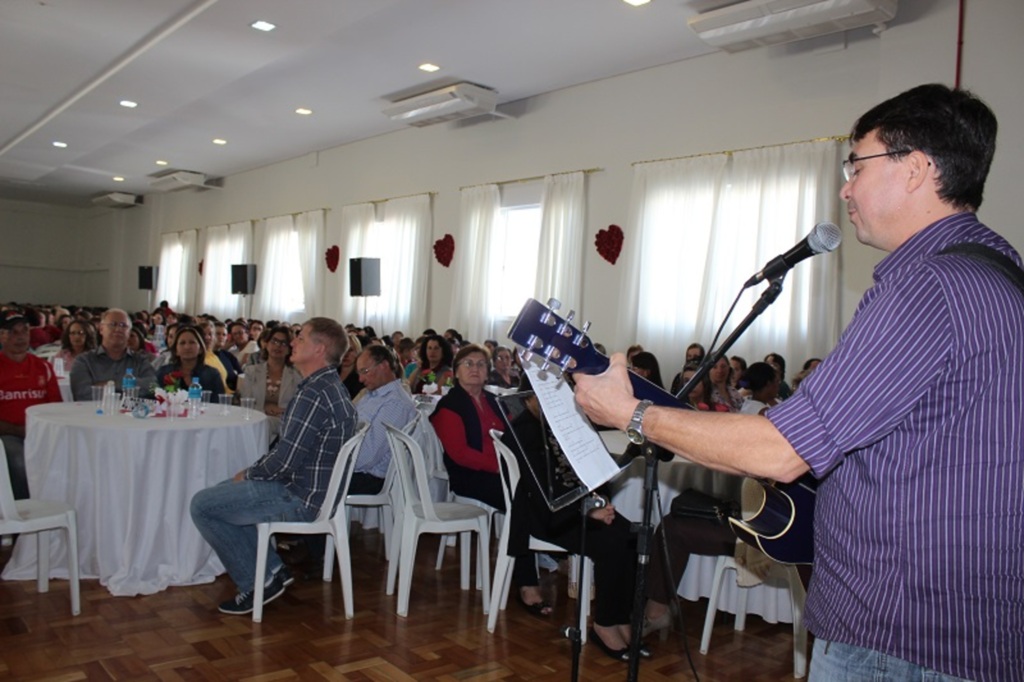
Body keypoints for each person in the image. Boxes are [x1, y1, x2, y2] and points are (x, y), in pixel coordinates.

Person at [573, 84, 1024, 681]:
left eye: (856, 164)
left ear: (915, 169)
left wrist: (632, 414)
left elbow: (782, 451)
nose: (845, 187)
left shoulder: (926, 286)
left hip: (901, 636)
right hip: (967, 624)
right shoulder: (999, 273)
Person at [190, 317, 358, 615]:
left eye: (301, 338)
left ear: (319, 349)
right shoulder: (327, 386)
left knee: (202, 505)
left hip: (300, 497)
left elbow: (285, 461)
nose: (293, 342)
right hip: (307, 489)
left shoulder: (314, 394)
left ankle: (257, 583)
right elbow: (287, 455)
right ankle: (272, 570)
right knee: (220, 494)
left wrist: (249, 473)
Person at [501, 386, 642, 661]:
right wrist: (587, 511)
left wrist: (599, 502)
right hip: (543, 516)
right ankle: (603, 623)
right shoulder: (525, 430)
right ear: (529, 395)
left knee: (632, 536)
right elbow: (543, 491)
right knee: (612, 542)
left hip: (574, 507)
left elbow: (585, 468)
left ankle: (620, 617)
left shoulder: (558, 423)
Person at [430, 344, 505, 510]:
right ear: (456, 372)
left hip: (504, 469)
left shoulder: (495, 401)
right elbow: (460, 454)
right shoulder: (450, 405)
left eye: (481, 364)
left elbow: (514, 433)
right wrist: (499, 466)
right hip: (470, 475)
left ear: (487, 373)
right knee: (527, 494)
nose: (475, 369)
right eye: (468, 363)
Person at [0, 310, 62, 500]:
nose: (20, 337)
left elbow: (56, 408)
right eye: (13, 332)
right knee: (20, 461)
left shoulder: (43, 367)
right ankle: (25, 516)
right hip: (7, 436)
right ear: (1, 336)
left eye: (24, 331)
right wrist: (20, 430)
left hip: (41, 433)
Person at [351, 345, 417, 494]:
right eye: (359, 373)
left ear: (384, 366)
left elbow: (366, 456)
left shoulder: (395, 403)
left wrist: (333, 462)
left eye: (365, 371)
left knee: (306, 480)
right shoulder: (372, 395)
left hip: (371, 477)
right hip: (356, 468)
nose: (361, 379)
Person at [69, 308, 157, 400]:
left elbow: (153, 388)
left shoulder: (140, 361)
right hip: (93, 413)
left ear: (129, 332)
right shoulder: (84, 361)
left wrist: (112, 384)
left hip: (130, 413)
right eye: (113, 324)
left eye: (123, 325)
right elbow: (82, 395)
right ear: (101, 329)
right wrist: (132, 390)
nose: (118, 329)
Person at [237, 326, 302, 439]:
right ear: (266, 344)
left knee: (265, 425)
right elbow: (246, 403)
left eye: (283, 343)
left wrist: (280, 411)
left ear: (289, 348)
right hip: (255, 419)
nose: (278, 346)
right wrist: (265, 409)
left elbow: (299, 406)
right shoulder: (252, 371)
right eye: (274, 341)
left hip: (285, 424)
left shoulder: (297, 374)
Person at [156, 325, 226, 395]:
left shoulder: (212, 374)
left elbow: (219, 403)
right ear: (176, 351)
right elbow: (152, 397)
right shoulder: (164, 372)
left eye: (192, 342)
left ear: (201, 349)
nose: (187, 347)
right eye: (182, 343)